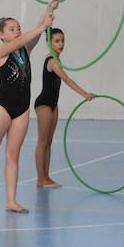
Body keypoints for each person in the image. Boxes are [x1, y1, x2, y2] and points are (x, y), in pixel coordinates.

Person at [0, 0, 58, 213]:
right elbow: (33, 33)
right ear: (1, 34)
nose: (17, 31)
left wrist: (49, 9)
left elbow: (33, 35)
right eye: (12, 29)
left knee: (13, 154)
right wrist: (42, 26)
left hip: (22, 108)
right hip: (3, 107)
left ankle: (11, 201)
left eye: (18, 28)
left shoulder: (25, 49)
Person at [33, 28, 95, 187]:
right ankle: (41, 179)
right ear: (48, 43)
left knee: (49, 142)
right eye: (57, 41)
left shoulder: (57, 59)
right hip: (44, 104)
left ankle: (46, 177)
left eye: (62, 40)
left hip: (53, 104)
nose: (61, 44)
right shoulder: (52, 61)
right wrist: (85, 94)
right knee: (42, 142)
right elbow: (66, 79)